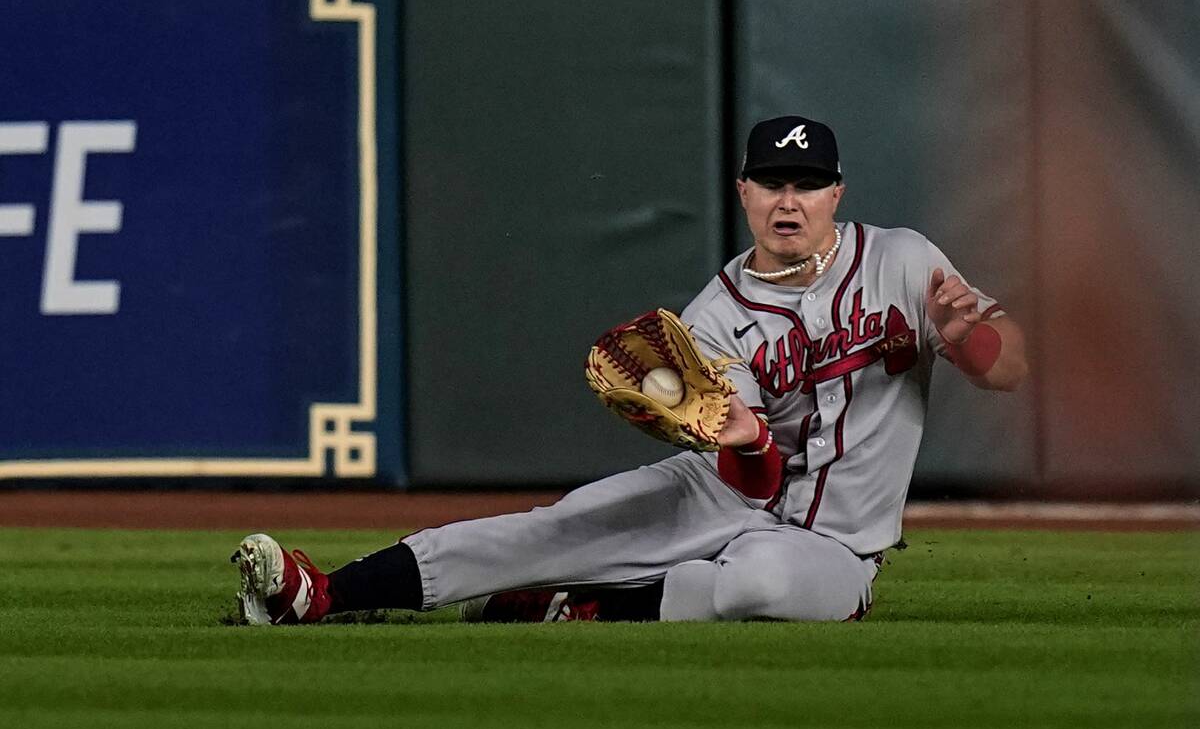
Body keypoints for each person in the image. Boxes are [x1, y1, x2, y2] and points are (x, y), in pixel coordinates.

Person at [233, 115, 1028, 625]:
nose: (791, 201)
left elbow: (1008, 370)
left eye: (809, 184)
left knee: (761, 583)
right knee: (558, 526)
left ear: (837, 191)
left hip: (832, 543)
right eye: (774, 184)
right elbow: (751, 482)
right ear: (745, 191)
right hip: (723, 493)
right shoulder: (715, 315)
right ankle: (327, 593)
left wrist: (967, 342)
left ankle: (590, 604)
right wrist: (744, 439)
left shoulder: (902, 261)